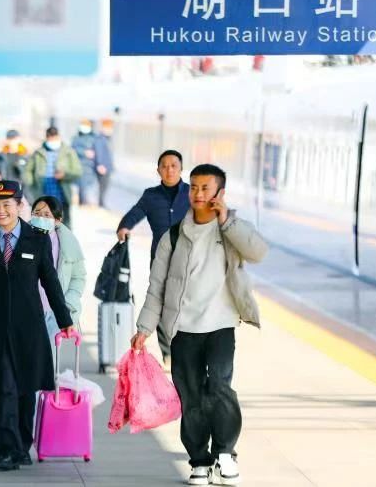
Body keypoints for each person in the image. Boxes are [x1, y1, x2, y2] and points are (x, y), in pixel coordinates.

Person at [130, 164, 268, 487]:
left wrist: (227, 220)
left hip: (221, 326)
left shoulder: (230, 229)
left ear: (220, 193)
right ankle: (200, 461)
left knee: (220, 388)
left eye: (206, 188)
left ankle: (225, 453)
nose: (198, 194)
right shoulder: (174, 235)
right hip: (183, 330)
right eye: (193, 187)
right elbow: (157, 286)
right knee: (190, 396)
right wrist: (145, 327)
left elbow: (258, 252)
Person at [0, 180, 73, 471]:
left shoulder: (37, 239)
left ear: (19, 205)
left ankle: (23, 445)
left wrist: (66, 322)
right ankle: (6, 449)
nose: (1, 210)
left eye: (7, 204)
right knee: (4, 387)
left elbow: (50, 282)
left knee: (27, 388)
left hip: (30, 327)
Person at [117, 149, 190, 367]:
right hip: (160, 260)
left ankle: (186, 348)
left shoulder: (191, 194)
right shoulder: (151, 196)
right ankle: (168, 352)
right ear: (158, 170)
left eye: (174, 166)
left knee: (186, 303)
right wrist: (124, 226)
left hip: (189, 261)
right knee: (160, 302)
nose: (169, 170)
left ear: (181, 168)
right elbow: (135, 212)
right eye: (164, 166)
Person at [30, 196, 86, 358]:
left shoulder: (68, 242)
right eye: (37, 213)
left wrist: (68, 303)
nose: (40, 218)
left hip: (54, 313)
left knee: (49, 361)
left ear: (57, 220)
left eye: (46, 215)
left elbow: (78, 277)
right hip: (28, 311)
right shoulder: (21, 238)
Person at [23, 127, 81, 227]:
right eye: (50, 139)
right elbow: (27, 170)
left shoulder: (69, 152)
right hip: (43, 195)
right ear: (47, 138)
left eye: (55, 138)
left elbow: (77, 171)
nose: (53, 141)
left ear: (59, 137)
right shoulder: (38, 153)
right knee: (42, 224)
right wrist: (31, 185)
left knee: (63, 225)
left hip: (62, 195)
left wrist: (65, 175)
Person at [71, 119, 100, 206]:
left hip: (91, 166)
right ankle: (82, 202)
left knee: (90, 186)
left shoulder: (95, 137)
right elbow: (72, 149)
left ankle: (89, 203)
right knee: (80, 186)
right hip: (79, 165)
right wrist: (84, 152)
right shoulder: (76, 138)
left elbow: (99, 149)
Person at [95, 120, 115, 209]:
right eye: (107, 127)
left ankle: (101, 202)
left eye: (110, 128)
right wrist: (100, 165)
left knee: (105, 186)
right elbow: (98, 152)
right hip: (103, 167)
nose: (109, 130)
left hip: (107, 167)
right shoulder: (100, 139)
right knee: (103, 186)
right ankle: (101, 203)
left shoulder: (108, 139)